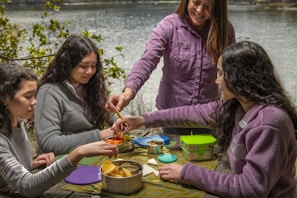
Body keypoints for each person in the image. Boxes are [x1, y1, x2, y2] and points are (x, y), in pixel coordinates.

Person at [114, 41, 297, 197]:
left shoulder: (269, 123)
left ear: (239, 77)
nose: (216, 81)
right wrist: (141, 120)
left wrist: (187, 172)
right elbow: (189, 114)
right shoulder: (238, 106)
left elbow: (250, 189)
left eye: (220, 74)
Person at [106, 0, 236, 138]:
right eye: (196, 3)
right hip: (170, 117)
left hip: (208, 116)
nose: (199, 10)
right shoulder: (169, 26)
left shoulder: (225, 30)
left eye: (207, 7)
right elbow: (148, 60)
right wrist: (128, 93)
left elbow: (231, 72)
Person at [0, 62, 118, 197]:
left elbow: (8, 170)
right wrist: (78, 152)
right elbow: (27, 186)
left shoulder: (16, 124)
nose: (35, 101)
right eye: (28, 96)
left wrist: (29, 164)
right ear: (5, 98)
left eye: (34, 95)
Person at [34, 34, 118, 155]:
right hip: (60, 164)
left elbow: (107, 110)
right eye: (83, 66)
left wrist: (118, 120)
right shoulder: (49, 93)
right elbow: (49, 144)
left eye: (94, 66)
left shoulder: (90, 85)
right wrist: (100, 135)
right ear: (67, 64)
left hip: (90, 156)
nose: (90, 71)